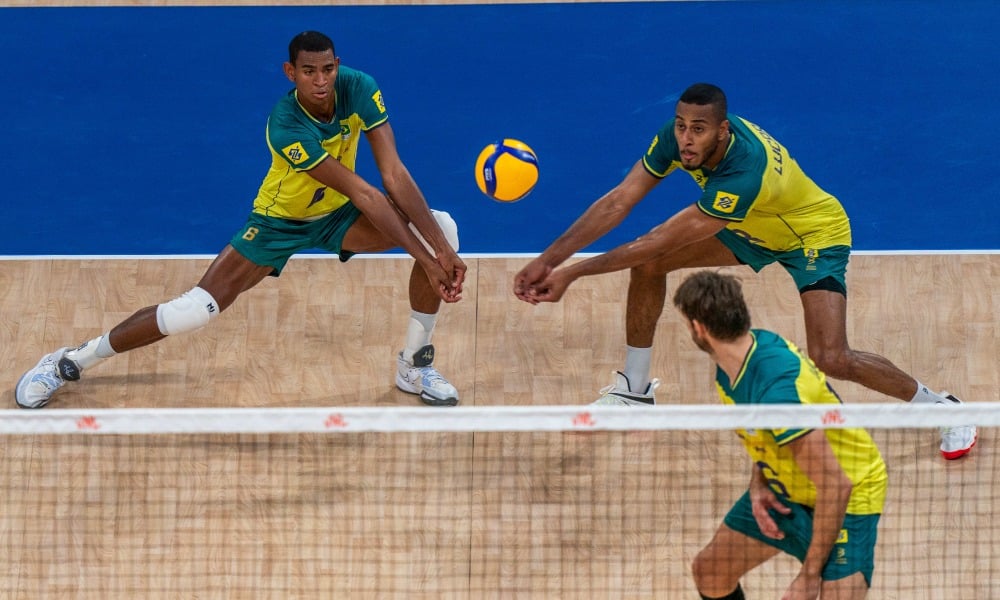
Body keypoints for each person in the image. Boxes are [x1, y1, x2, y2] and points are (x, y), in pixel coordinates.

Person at [513, 82, 976, 459]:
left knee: (832, 357)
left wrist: (572, 274)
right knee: (651, 266)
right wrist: (551, 258)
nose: (685, 139)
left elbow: (657, 238)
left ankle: (943, 407)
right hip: (752, 224)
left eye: (698, 129)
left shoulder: (743, 172)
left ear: (722, 130)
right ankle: (634, 392)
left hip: (810, 235)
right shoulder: (676, 142)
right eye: (680, 126)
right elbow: (619, 201)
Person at [16, 31, 466, 409]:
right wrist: (428, 261)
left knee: (442, 228)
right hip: (278, 223)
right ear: (291, 73)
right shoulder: (286, 124)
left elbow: (393, 174)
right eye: (309, 71)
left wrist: (440, 252)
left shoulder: (359, 86)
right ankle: (69, 360)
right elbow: (365, 191)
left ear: (337, 65)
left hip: (335, 216)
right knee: (194, 311)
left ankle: (414, 365)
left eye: (327, 69)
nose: (321, 80)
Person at [675, 270, 887, 600]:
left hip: (847, 494)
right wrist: (759, 485)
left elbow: (836, 484)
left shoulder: (778, 389)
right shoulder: (735, 362)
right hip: (789, 485)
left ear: (698, 328)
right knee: (711, 570)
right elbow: (763, 436)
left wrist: (808, 576)